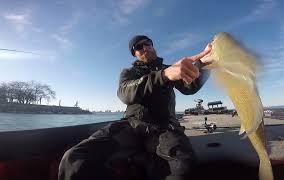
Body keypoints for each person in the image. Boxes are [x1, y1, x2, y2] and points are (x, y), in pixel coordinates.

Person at [58, 35, 212, 180]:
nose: (145, 47)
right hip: (130, 125)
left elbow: (190, 87)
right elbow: (125, 93)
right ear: (135, 54)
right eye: (139, 46)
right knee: (74, 157)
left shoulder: (172, 68)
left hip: (165, 127)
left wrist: (205, 63)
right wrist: (163, 75)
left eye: (148, 43)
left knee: (184, 166)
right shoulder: (129, 73)